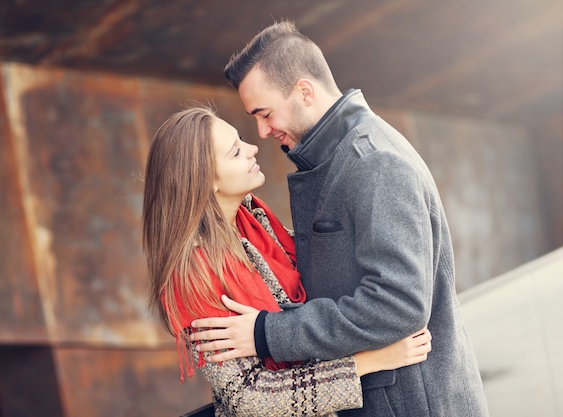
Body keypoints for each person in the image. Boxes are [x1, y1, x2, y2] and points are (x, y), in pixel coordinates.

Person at [190, 21, 489, 417]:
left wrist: (267, 333)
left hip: (410, 403)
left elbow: (398, 303)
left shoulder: (374, 162)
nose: (262, 132)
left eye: (265, 114)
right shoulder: (339, 160)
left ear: (305, 92)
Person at [142, 106, 432, 417]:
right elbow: (248, 398)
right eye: (236, 151)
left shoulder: (252, 219)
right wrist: (370, 361)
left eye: (241, 139)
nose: (253, 148)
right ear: (206, 180)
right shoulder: (193, 277)